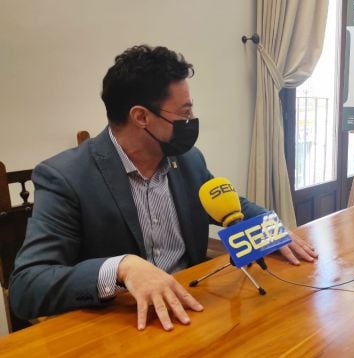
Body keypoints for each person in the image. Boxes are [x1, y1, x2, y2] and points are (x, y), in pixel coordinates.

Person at [9, 45, 317, 331]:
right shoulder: (65, 177)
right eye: (184, 112)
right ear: (141, 117)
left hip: (192, 313)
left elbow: (225, 201)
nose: (192, 120)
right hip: (124, 328)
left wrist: (268, 225)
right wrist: (122, 268)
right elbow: (27, 286)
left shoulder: (187, 160)